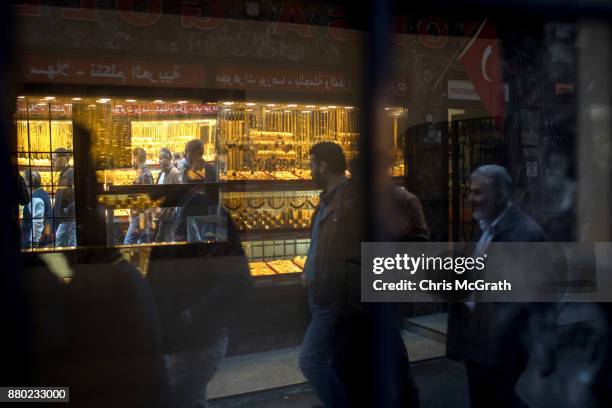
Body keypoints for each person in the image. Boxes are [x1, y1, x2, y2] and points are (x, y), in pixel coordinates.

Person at [446, 164, 560, 408]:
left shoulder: (526, 235)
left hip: (501, 344)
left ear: (499, 195)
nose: (470, 199)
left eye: (478, 193)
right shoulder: (487, 228)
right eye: (470, 192)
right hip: (477, 340)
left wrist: (543, 345)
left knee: (499, 399)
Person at [299, 142, 359, 408]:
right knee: (336, 360)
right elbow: (319, 243)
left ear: (323, 167)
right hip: (320, 292)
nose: (309, 170)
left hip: (332, 297)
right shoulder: (328, 200)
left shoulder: (349, 201)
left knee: (310, 360)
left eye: (311, 164)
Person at [175, 139, 219, 242]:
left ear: (191, 153)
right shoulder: (213, 169)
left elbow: (186, 201)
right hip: (212, 221)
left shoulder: (192, 172)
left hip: (193, 223)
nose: (185, 157)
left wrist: (179, 227)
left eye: (186, 153)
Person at [124, 147, 154, 244]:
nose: (132, 160)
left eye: (133, 158)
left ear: (136, 158)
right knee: (143, 242)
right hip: (139, 214)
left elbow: (148, 196)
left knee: (128, 242)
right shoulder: (143, 173)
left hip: (140, 215)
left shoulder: (145, 174)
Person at [21, 170, 52, 248]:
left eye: (24, 181)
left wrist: (33, 246)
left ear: (28, 182)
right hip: (41, 240)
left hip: (32, 241)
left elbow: (37, 223)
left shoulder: (35, 198)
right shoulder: (45, 194)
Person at [155, 148, 180, 242]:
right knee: (160, 240)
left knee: (168, 240)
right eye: (159, 158)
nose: (159, 161)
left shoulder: (174, 172)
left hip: (171, 216)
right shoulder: (162, 173)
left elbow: (179, 194)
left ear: (168, 158)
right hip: (163, 215)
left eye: (161, 158)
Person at [53, 147, 76, 247]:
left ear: (62, 159)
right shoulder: (64, 174)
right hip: (65, 220)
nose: (52, 162)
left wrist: (67, 210)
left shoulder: (71, 174)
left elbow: (77, 197)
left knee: (61, 248)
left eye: (54, 159)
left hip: (69, 220)